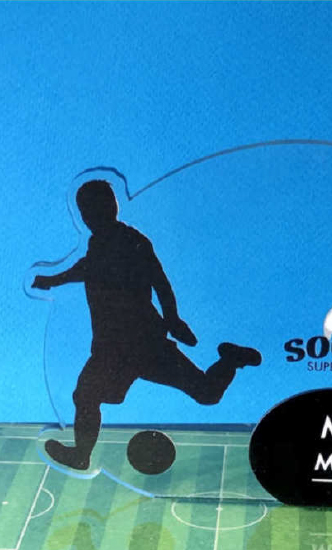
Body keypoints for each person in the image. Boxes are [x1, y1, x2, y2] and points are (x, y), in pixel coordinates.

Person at [32, 179, 261, 470]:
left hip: (140, 342)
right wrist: (52, 280)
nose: (89, 216)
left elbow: (159, 281)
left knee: (205, 393)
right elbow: (87, 268)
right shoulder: (99, 242)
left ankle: (231, 359)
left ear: (111, 206)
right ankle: (81, 454)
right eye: (85, 211)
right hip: (116, 345)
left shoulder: (131, 240)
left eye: (94, 208)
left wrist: (172, 319)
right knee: (87, 395)